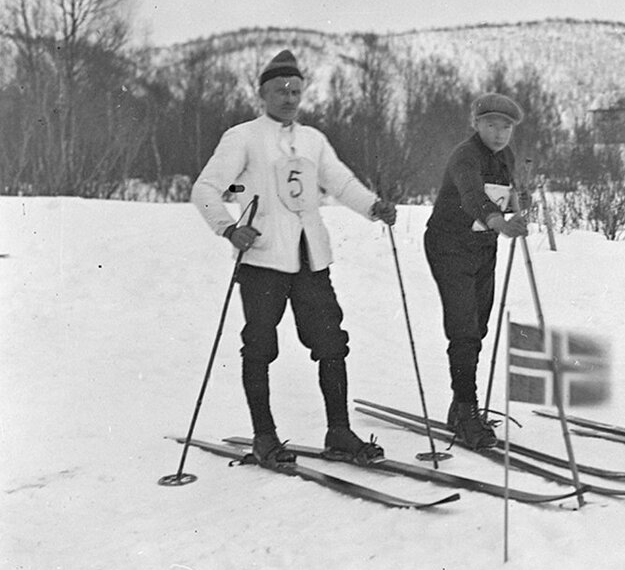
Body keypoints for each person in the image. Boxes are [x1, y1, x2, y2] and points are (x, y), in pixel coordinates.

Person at [191, 49, 398, 466]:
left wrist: (373, 206)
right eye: (280, 90)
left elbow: (340, 181)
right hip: (263, 260)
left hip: (311, 260)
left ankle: (339, 432)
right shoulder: (244, 136)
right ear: (263, 94)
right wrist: (229, 228)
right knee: (260, 346)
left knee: (331, 343)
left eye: (295, 90)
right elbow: (205, 188)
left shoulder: (312, 140)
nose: (289, 97)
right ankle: (264, 438)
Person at [424, 93, 529, 449]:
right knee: (464, 329)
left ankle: (460, 406)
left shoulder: (506, 156)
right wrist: (499, 220)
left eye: (506, 127)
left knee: (478, 327)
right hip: (449, 245)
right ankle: (466, 411)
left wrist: (519, 205)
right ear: (476, 124)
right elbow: (472, 196)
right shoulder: (464, 155)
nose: (499, 134)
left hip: (483, 247)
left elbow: (508, 192)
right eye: (491, 125)